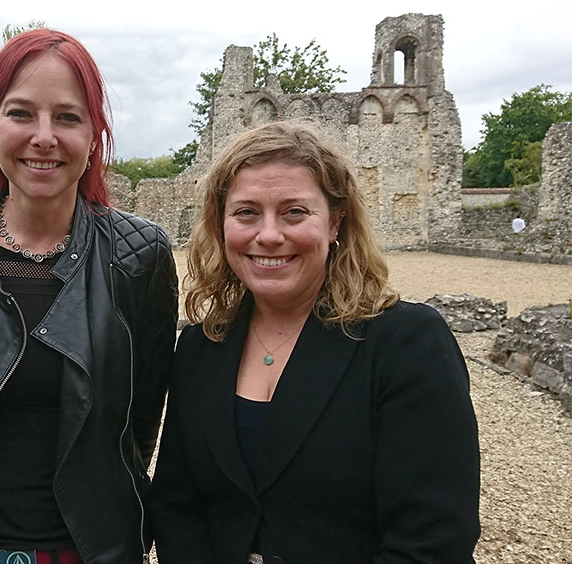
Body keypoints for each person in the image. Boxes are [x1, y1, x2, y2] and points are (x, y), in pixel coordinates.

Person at [0, 29, 178, 564]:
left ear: (94, 135)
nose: (44, 136)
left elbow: (138, 423)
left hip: (88, 550)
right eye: (21, 113)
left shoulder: (139, 257)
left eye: (67, 117)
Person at [148, 121, 480, 564]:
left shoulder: (405, 344)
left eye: (294, 212)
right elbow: (177, 505)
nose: (268, 234)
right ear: (221, 223)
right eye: (246, 212)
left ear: (335, 221)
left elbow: (434, 537)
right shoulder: (200, 347)